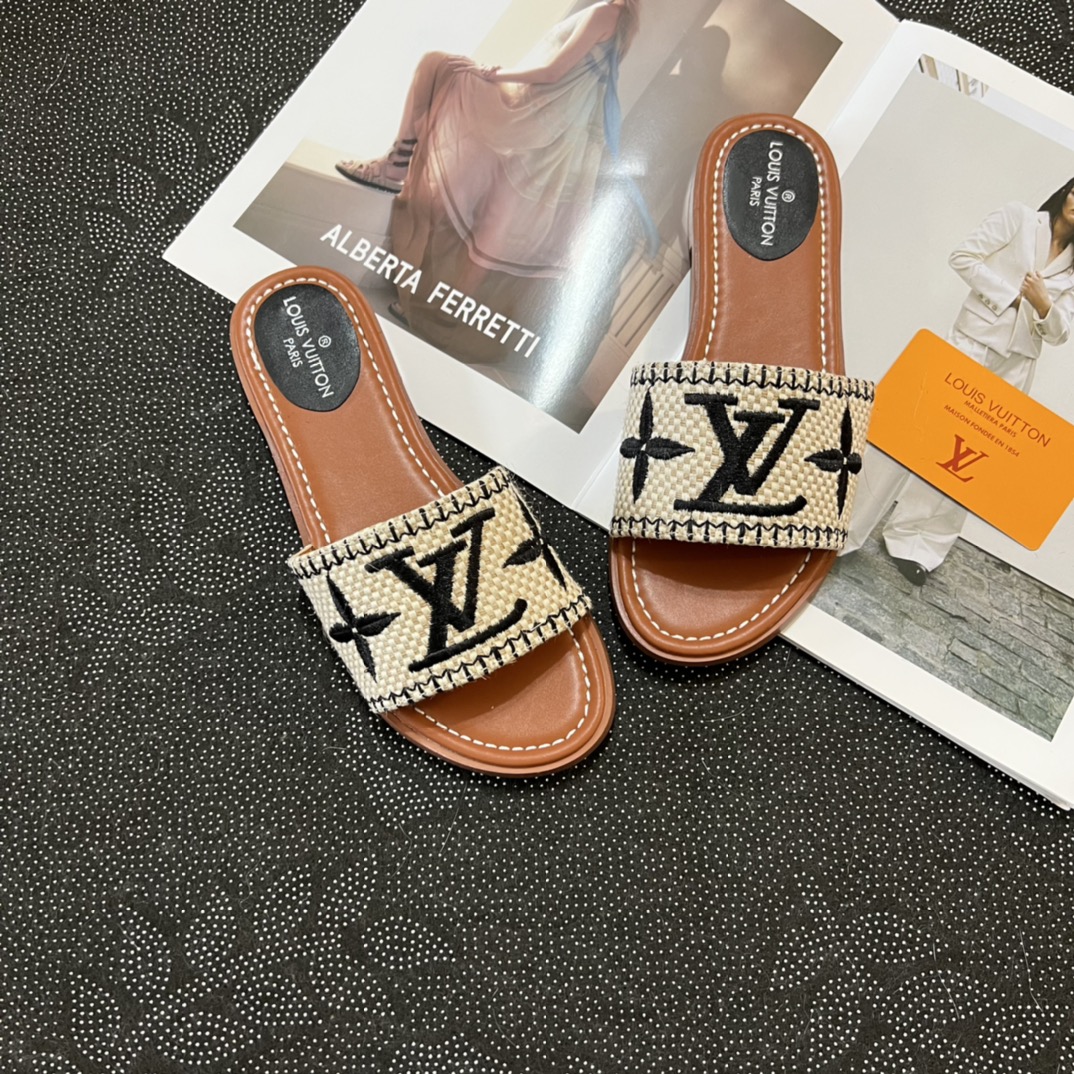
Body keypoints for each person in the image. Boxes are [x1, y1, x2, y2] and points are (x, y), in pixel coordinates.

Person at [843, 178, 1074, 583]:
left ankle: (916, 544)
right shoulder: (1019, 218)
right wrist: (1014, 296)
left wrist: (1043, 305)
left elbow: (1060, 333)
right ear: (1065, 191)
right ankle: (845, 525)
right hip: (969, 342)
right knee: (905, 436)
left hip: (1017, 365)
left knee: (966, 460)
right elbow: (963, 256)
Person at [336, 0, 646, 292]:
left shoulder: (605, 12)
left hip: (529, 115)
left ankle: (395, 164)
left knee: (436, 64)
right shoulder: (627, 26)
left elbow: (553, 72)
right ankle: (442, 308)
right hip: (554, 129)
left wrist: (495, 74)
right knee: (492, 215)